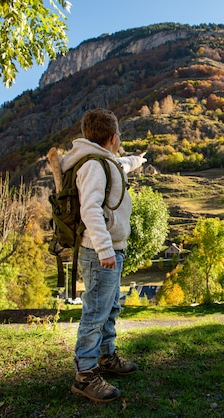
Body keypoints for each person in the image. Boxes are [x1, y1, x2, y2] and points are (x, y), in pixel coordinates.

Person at [61, 108, 146, 403]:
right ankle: (85, 375)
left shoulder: (105, 161)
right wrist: (105, 249)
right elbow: (90, 210)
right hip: (100, 253)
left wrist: (139, 160)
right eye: (119, 135)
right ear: (113, 137)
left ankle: (106, 357)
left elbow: (123, 163)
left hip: (111, 251)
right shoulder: (94, 167)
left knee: (109, 308)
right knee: (95, 313)